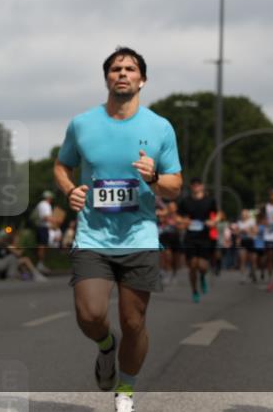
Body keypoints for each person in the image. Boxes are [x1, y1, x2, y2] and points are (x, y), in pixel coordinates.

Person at [54, 47, 182, 412]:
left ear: (142, 79)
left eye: (130, 69)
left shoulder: (159, 127)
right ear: (107, 78)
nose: (122, 73)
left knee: (134, 321)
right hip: (93, 236)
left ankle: (125, 387)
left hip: (140, 236)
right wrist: (71, 190)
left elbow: (175, 185)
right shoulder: (83, 124)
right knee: (91, 315)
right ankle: (105, 348)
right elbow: (62, 167)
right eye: (115, 68)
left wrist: (155, 177)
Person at [178, 179, 218, 303]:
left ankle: (202, 277)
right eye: (194, 185)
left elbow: (219, 214)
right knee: (192, 265)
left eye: (198, 184)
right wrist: (184, 221)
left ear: (202, 186)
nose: (196, 187)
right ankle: (194, 291)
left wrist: (214, 221)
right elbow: (177, 216)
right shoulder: (185, 201)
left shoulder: (210, 200)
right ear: (191, 187)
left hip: (204, 237)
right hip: (190, 237)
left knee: (202, 266)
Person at [34, 191, 55, 274]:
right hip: (43, 227)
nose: (52, 200)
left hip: (40, 227)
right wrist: (55, 221)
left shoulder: (40, 204)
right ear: (48, 197)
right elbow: (45, 217)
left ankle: (40, 263)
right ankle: (40, 264)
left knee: (41, 245)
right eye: (51, 198)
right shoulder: (45, 205)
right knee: (42, 246)